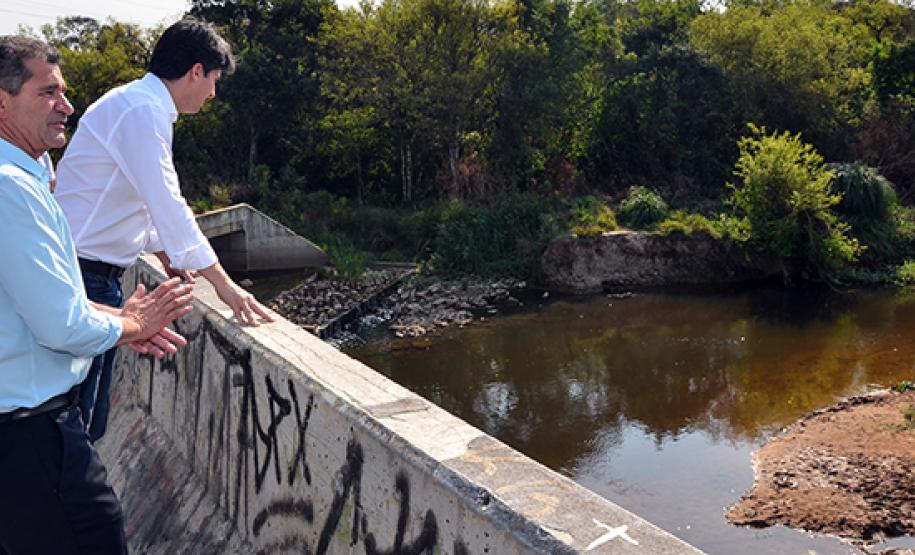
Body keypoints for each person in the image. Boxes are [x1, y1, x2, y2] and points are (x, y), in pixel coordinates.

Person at [0, 35, 195, 554]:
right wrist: (132, 325)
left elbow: (30, 302)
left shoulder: (27, 176)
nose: (66, 106)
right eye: (49, 93)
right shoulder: (9, 188)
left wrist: (114, 321)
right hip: (30, 439)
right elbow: (60, 326)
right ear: (2, 100)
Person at [55, 17, 274, 443]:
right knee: (74, 424)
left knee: (82, 420)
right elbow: (167, 203)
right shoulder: (142, 111)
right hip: (83, 277)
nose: (212, 93)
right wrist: (226, 286)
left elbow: (135, 199)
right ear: (196, 71)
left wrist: (163, 251)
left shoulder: (136, 104)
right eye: (213, 80)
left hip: (91, 273)